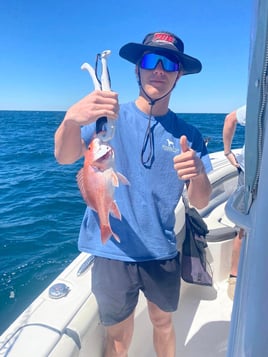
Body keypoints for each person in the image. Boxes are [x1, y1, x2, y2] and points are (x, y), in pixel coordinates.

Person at [54, 31, 212, 357]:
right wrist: (71, 120)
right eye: (149, 60)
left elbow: (201, 201)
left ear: (178, 73)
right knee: (118, 337)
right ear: (137, 69)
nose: (159, 69)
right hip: (112, 251)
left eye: (168, 63)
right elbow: (65, 156)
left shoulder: (190, 135)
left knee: (163, 323)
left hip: (162, 250)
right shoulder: (108, 117)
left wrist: (196, 173)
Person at [223, 104, 246, 300]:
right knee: (243, 228)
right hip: (252, 176)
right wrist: (227, 152)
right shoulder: (260, 101)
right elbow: (231, 118)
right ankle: (234, 275)